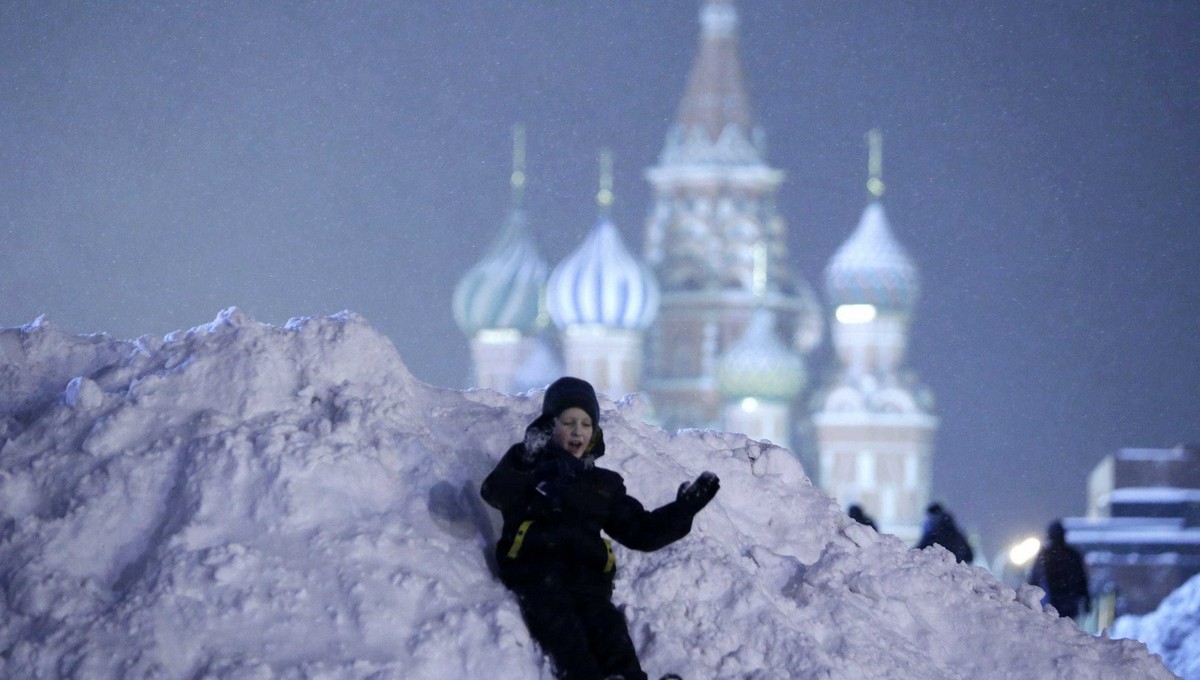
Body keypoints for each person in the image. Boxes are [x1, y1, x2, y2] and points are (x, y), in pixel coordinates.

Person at [481, 377, 720, 680]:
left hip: (589, 584)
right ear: (549, 427)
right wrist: (525, 458)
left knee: (611, 635)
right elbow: (495, 493)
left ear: (594, 433)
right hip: (540, 579)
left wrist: (684, 509)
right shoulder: (531, 469)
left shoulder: (602, 485)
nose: (577, 430)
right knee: (569, 641)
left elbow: (641, 531)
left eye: (585, 423)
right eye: (568, 422)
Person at [1027, 520, 1090, 620]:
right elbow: (1082, 579)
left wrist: (1029, 598)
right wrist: (1086, 599)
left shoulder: (1045, 555)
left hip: (1052, 600)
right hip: (1068, 601)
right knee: (1067, 628)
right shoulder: (1072, 554)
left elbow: (1035, 578)